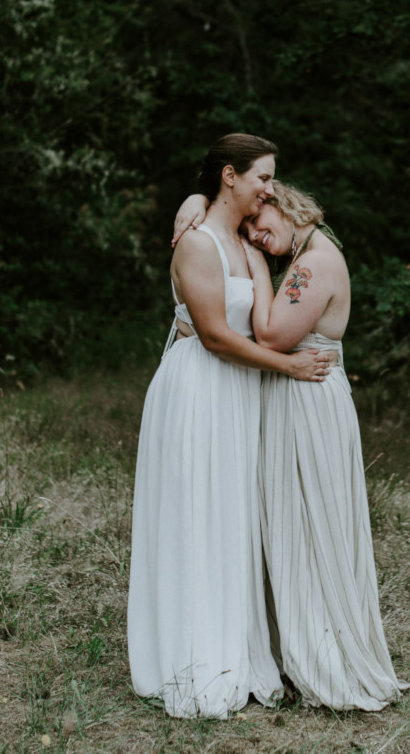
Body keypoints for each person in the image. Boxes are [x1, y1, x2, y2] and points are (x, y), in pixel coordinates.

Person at [174, 182, 408, 711]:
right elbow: (207, 197)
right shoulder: (305, 254)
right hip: (294, 399)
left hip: (309, 405)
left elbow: (274, 337)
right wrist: (191, 204)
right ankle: (295, 652)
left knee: (312, 526)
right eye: (249, 230)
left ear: (282, 203)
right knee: (291, 527)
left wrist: (256, 267)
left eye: (260, 224)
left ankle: (328, 661)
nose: (257, 235)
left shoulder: (313, 263)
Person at [128, 135, 333, 720]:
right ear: (229, 175)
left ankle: (238, 652)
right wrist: (291, 366)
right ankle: (191, 654)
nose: (271, 188)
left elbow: (263, 325)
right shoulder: (195, 243)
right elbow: (216, 336)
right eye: (263, 177)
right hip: (198, 390)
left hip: (240, 393)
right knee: (196, 515)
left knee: (233, 516)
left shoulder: (243, 245)